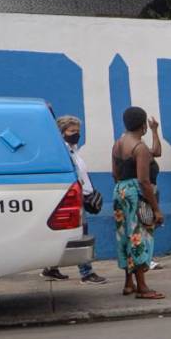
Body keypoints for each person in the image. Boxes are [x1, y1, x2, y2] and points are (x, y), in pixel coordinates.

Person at [43, 114, 105, 282]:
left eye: (78, 130)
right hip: (73, 200)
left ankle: (50, 268)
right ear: (62, 132)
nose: (76, 134)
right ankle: (86, 273)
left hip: (80, 198)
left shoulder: (74, 150)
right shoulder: (63, 153)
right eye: (72, 131)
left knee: (63, 235)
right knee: (80, 235)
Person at [111, 105, 164, 299]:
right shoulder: (139, 148)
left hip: (120, 191)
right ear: (142, 125)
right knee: (139, 237)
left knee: (126, 237)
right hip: (137, 194)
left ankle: (128, 283)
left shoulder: (119, 143)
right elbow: (144, 180)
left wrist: (155, 131)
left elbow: (114, 173)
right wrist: (156, 209)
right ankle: (142, 287)